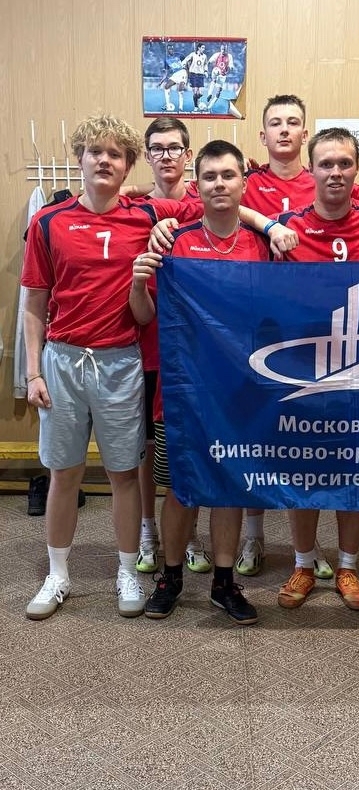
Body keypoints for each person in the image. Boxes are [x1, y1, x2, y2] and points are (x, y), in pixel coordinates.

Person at [21, 114, 207, 621]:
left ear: (128, 166)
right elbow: (34, 303)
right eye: (95, 152)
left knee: (124, 473)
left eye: (115, 154)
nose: (104, 160)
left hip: (121, 361)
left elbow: (220, 204)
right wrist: (33, 372)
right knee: (64, 473)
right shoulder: (49, 222)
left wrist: (271, 224)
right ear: (80, 159)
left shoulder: (147, 215)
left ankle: (128, 570)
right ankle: (57, 574)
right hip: (62, 359)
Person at [130, 140, 270, 625]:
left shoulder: (262, 246)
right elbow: (144, 315)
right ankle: (170, 577)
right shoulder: (174, 242)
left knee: (230, 487)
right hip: (183, 393)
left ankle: (224, 583)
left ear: (243, 183)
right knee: (180, 489)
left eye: (228, 175)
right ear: (198, 184)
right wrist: (137, 282)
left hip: (241, 393)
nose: (219, 184)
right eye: (209, 176)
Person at [275, 127, 359, 612]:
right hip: (305, 370)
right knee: (304, 468)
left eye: (345, 163)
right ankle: (304, 563)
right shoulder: (285, 226)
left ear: (357, 169)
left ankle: (347, 566)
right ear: (310, 168)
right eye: (326, 163)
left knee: (355, 468)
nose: (335, 172)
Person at [234, 95, 336, 580]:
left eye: (293, 122)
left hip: (313, 328)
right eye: (275, 123)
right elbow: (202, 201)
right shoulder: (248, 183)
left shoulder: (321, 178)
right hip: (260, 324)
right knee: (257, 436)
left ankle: (308, 550)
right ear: (263, 134)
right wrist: (266, 222)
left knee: (310, 443)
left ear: (304, 132)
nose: (284, 130)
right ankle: (253, 538)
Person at [136, 116, 212, 577]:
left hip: (193, 356)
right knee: (149, 448)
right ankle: (149, 531)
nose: (166, 156)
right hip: (145, 348)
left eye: (174, 148)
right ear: (147, 156)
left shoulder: (205, 201)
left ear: (188, 153)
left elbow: (240, 211)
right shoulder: (134, 208)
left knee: (192, 447)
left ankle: (191, 535)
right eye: (157, 148)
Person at [181, 42, 208, 112]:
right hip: (193, 74)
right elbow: (186, 59)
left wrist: (206, 71)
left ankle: (198, 104)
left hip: (201, 75)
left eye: (204, 48)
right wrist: (183, 64)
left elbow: (205, 64)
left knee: (200, 93)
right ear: (199, 48)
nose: (204, 49)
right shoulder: (193, 54)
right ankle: (196, 107)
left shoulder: (204, 56)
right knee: (195, 92)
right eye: (202, 48)